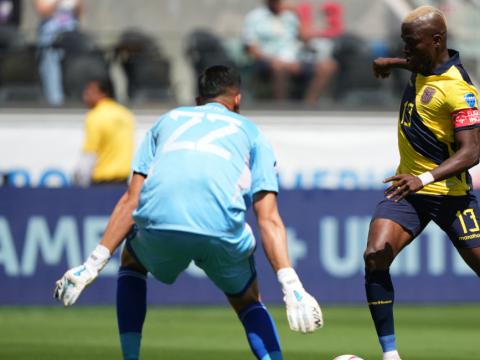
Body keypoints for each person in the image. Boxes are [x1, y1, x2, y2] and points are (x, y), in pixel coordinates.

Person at [55, 65, 323, 359]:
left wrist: (92, 264)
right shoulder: (252, 132)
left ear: (198, 99)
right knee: (248, 301)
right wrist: (291, 285)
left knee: (132, 260)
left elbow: (132, 201)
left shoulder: (167, 120)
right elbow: (268, 218)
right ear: (238, 100)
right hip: (221, 228)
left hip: (161, 224)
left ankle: (130, 358)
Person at [365, 6, 480, 360]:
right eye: (403, 43)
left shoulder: (460, 91)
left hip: (451, 195)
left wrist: (424, 178)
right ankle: (391, 354)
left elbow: (472, 152)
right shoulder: (423, 63)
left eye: (410, 44)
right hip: (409, 193)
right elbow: (418, 65)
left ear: (436, 40)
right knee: (375, 255)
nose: (406, 50)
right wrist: (391, 63)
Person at [243, 0, 337, 104]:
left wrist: (299, 13)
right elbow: (251, 48)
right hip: (269, 59)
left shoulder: (290, 16)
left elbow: (305, 37)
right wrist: (274, 61)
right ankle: (282, 107)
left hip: (295, 58)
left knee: (328, 66)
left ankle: (309, 105)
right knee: (281, 67)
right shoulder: (255, 17)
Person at [72, 76, 135, 186]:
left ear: (103, 93)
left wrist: (80, 184)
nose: (85, 96)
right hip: (124, 182)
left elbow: (89, 154)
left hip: (102, 182)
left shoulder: (95, 116)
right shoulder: (125, 114)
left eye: (89, 92)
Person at [34, 0, 83, 106]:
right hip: (50, 33)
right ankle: (55, 100)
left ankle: (77, 98)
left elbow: (80, 11)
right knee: (50, 59)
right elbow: (43, 11)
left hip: (70, 32)